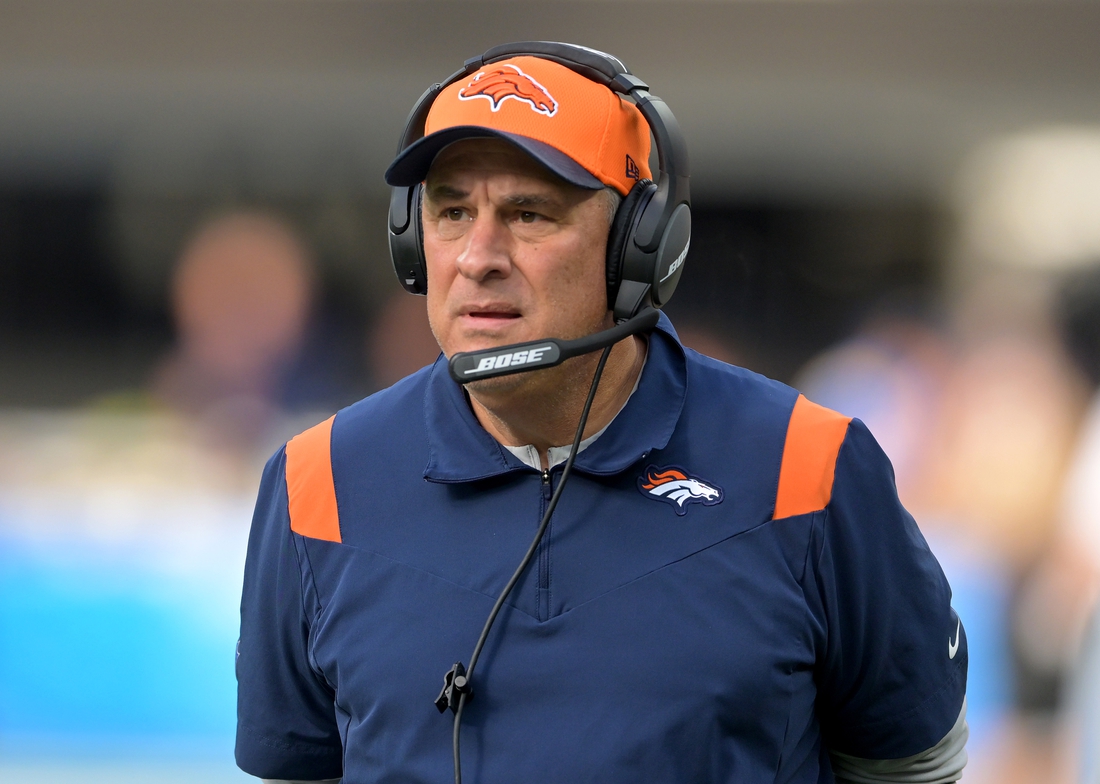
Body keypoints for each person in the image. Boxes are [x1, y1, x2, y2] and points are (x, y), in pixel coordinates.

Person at [235, 43, 968, 784]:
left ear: (638, 247)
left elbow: (910, 763)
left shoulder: (809, 466)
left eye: (529, 213)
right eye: (452, 211)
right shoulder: (314, 482)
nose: (477, 256)